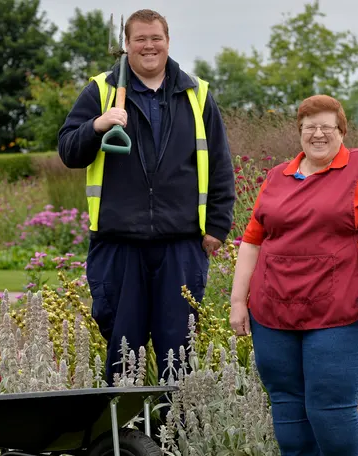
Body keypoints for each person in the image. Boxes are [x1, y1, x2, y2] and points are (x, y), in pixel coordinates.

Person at [229, 95, 358, 456]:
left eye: (327, 127)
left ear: (342, 131)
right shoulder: (277, 176)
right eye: (309, 127)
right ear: (299, 132)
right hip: (273, 307)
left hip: (340, 306)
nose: (318, 134)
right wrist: (237, 301)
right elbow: (253, 240)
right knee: (286, 404)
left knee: (329, 404)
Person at [57, 10, 235, 386]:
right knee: (124, 357)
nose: (149, 46)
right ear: (127, 45)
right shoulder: (101, 92)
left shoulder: (197, 94)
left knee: (179, 357)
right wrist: (97, 125)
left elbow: (220, 164)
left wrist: (218, 226)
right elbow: (70, 151)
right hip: (119, 245)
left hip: (181, 244)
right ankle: (125, 443)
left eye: (156, 38)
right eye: (140, 39)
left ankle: (176, 443)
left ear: (168, 42)